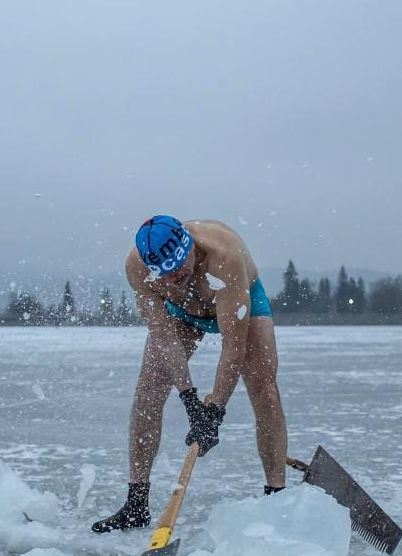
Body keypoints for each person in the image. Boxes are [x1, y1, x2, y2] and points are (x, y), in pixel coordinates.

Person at [92, 215, 287, 533]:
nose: (173, 277)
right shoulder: (138, 269)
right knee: (149, 388)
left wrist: (214, 412)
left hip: (239, 301)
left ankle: (276, 495)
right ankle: (136, 503)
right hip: (182, 312)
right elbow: (165, 338)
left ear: (191, 247)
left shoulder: (224, 254)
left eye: (178, 265)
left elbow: (232, 348)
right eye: (163, 273)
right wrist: (189, 398)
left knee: (264, 388)